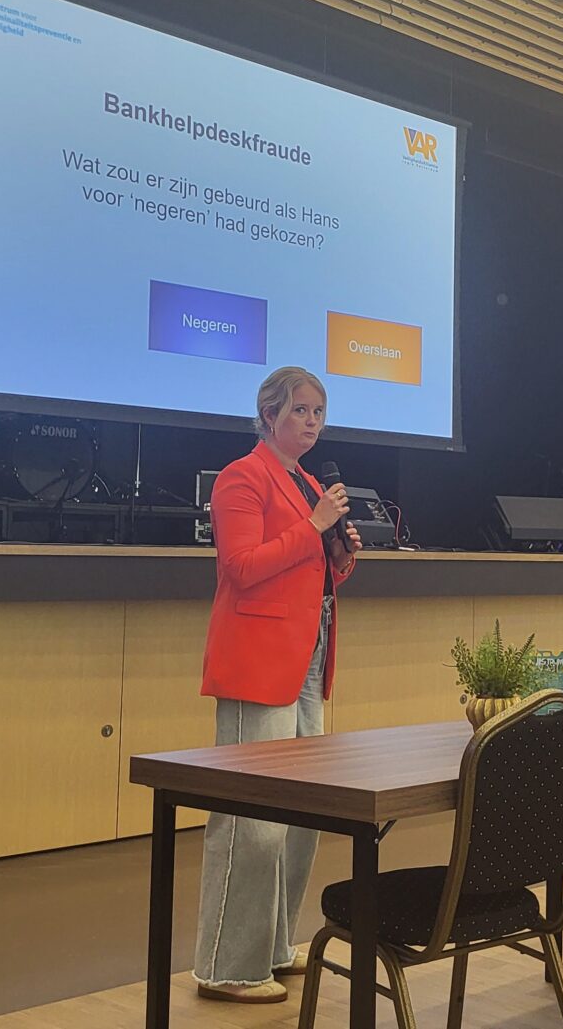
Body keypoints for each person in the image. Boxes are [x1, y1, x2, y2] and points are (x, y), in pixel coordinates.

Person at [192, 366, 362, 1004]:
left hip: (309, 661)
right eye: (299, 410)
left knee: (301, 814)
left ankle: (272, 946)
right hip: (258, 661)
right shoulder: (242, 477)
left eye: (319, 412)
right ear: (269, 416)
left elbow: (309, 572)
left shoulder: (309, 482)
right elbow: (240, 568)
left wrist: (339, 553)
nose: (312, 422)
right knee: (251, 819)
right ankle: (227, 967)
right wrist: (313, 527)